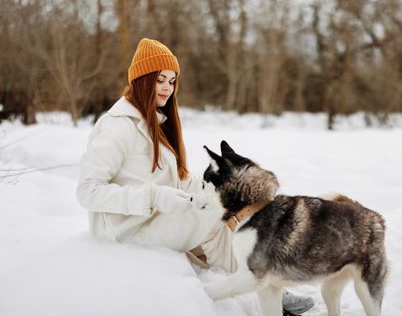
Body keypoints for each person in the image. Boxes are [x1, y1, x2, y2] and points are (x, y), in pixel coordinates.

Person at [76, 38, 314, 315]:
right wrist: (154, 197)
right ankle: (266, 288)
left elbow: (172, 180)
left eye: (172, 81)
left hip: (151, 220)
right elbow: (87, 192)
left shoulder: (154, 123)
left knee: (223, 208)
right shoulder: (117, 127)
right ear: (142, 80)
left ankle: (265, 286)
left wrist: (210, 189)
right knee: (213, 214)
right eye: (160, 80)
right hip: (125, 231)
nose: (167, 88)